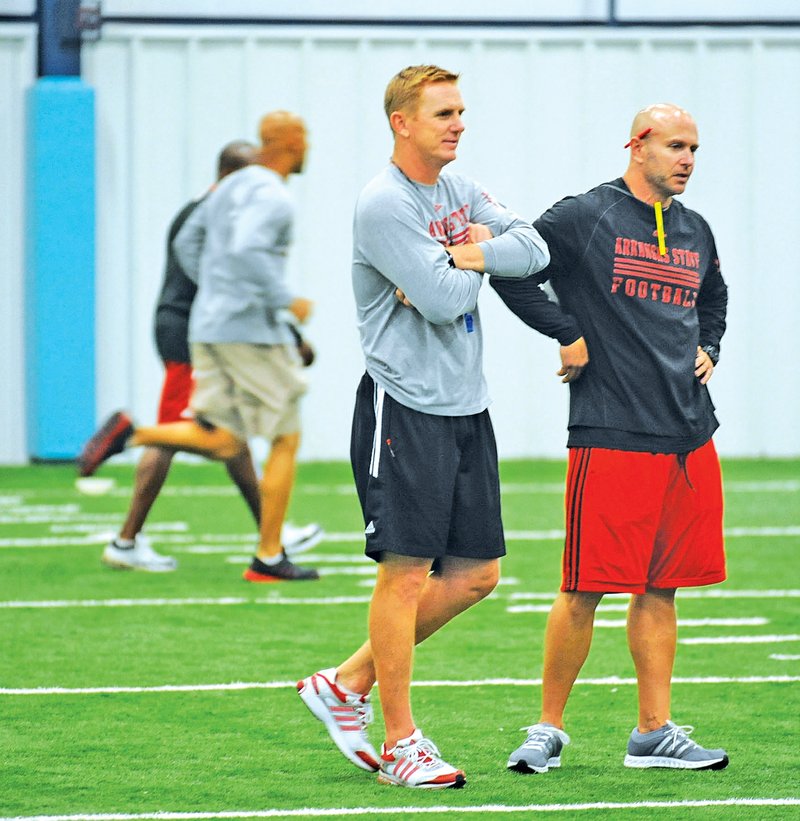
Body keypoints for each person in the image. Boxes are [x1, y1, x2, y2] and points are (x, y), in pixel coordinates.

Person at [297, 65, 551, 789]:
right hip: (403, 405)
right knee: (405, 574)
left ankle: (343, 682)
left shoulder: (458, 191)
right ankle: (401, 739)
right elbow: (441, 302)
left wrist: (463, 253)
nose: (458, 123)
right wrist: (471, 258)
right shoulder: (384, 204)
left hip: (467, 404)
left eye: (461, 111)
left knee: (476, 575)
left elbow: (535, 251)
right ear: (401, 122)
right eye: (443, 112)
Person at [491, 103, 729, 773]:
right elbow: (512, 268)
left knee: (661, 587)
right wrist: (566, 331)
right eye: (676, 146)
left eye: (694, 148)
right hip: (613, 431)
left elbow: (715, 294)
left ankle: (653, 731)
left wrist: (710, 342)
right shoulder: (583, 216)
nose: (686, 159)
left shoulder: (695, 228)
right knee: (584, 587)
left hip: (688, 432)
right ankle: (547, 728)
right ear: (638, 145)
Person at [78, 112, 321, 583]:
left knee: (227, 439)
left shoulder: (221, 192)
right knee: (285, 434)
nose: (309, 144)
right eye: (305, 137)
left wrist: (214, 290)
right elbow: (249, 252)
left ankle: (133, 434)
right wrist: (284, 303)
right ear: (289, 143)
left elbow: (189, 244)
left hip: (205, 327)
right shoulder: (274, 197)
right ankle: (269, 554)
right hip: (246, 332)